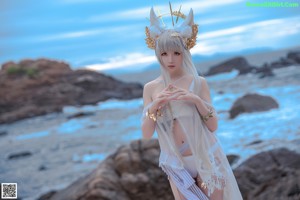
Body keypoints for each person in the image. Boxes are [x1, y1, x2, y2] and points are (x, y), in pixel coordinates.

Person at [141, 7, 243, 200]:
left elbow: (213, 126)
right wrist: (154, 107)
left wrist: (194, 99)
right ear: (158, 55)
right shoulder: (151, 88)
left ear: (184, 53)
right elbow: (147, 133)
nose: (170, 59)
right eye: (164, 54)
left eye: (176, 53)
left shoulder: (198, 83)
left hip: (206, 156)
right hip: (176, 164)